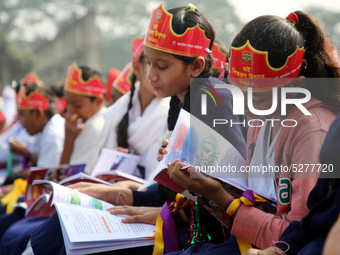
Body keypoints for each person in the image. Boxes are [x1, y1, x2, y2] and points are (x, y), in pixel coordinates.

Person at [25, 3, 248, 255]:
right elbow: (177, 191)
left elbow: (231, 199)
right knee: (63, 225)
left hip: (211, 236)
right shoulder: (181, 100)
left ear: (195, 66)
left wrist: (168, 215)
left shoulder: (215, 103)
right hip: (182, 218)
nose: (151, 75)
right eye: (148, 64)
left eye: (161, 66)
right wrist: (112, 193)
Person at [166, 10, 340, 254]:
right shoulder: (262, 118)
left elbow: (297, 235)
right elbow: (254, 200)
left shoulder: (313, 130)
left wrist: (221, 197)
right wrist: (199, 181)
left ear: (297, 86)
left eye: (257, 98)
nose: (244, 107)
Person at [60, 63, 106, 174]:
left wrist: (69, 140)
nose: (70, 111)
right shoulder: (87, 123)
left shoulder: (95, 127)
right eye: (68, 104)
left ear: (98, 101)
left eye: (77, 105)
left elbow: (69, 177)